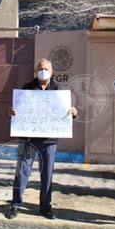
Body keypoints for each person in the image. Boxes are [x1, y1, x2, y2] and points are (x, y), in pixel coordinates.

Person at [5, 58, 78, 220]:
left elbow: (66, 113)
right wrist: (10, 112)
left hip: (49, 140)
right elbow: (16, 111)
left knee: (47, 174)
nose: (43, 71)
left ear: (52, 72)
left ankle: (45, 207)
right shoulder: (26, 89)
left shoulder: (59, 90)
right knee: (22, 171)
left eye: (46, 69)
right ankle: (16, 204)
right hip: (28, 138)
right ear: (35, 72)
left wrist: (73, 112)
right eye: (40, 68)